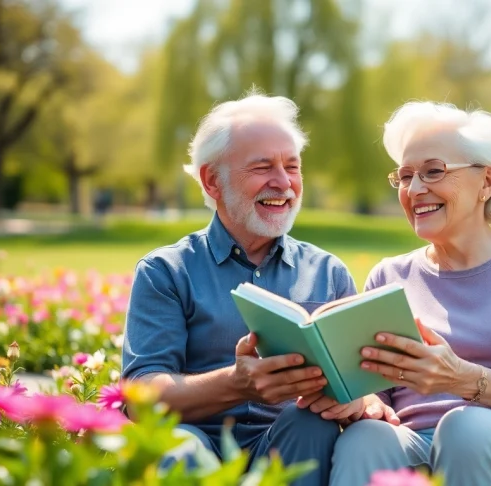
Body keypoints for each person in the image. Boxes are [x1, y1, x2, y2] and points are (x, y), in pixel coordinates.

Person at [328, 101, 491, 485]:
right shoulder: (388, 276)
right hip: (416, 445)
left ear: (487, 182)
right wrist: (364, 401)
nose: (415, 189)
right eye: (405, 176)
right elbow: (377, 398)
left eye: (433, 171)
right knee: (363, 439)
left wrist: (460, 378)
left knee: (465, 431)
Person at [121, 90, 366, 486]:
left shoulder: (328, 272)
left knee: (312, 425)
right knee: (177, 447)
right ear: (212, 180)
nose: (284, 183)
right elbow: (141, 396)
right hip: (196, 439)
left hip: (290, 445)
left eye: (292, 166)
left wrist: (356, 396)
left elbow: (356, 382)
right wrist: (238, 384)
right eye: (263, 167)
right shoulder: (165, 271)